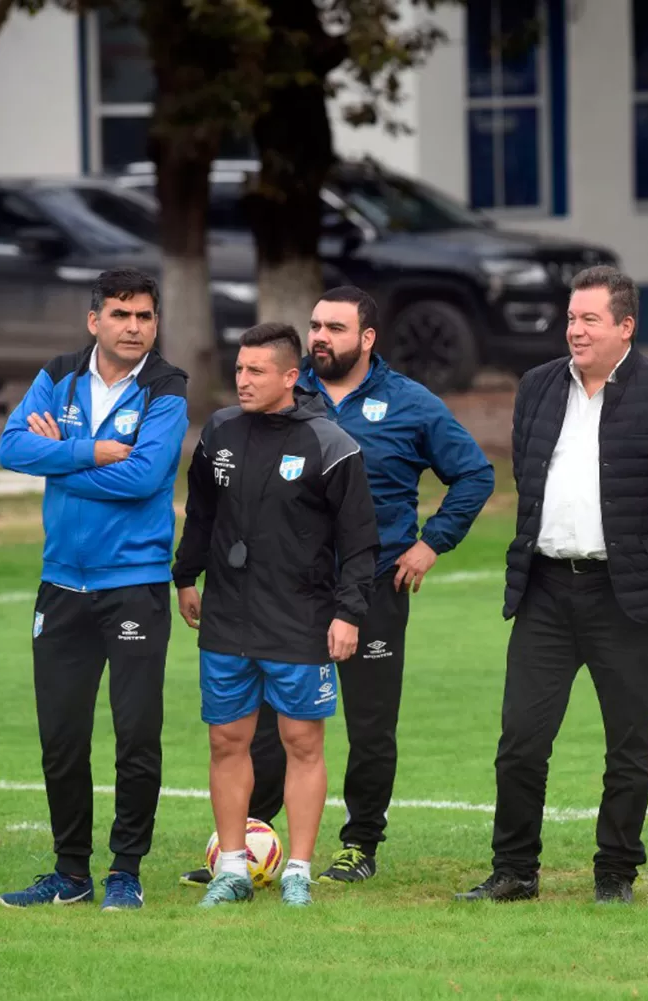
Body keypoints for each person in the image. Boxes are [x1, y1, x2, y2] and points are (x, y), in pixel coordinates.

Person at [179, 286, 494, 887]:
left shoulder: (411, 403)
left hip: (371, 587)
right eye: (316, 326)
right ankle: (249, 843)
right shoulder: (287, 397)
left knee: (371, 723)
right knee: (270, 722)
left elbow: (475, 474)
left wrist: (431, 544)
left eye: (336, 328)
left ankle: (359, 844)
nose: (321, 336)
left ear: (367, 338)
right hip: (286, 593)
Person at [456, 266, 648, 904]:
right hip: (544, 589)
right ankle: (514, 871)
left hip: (623, 596)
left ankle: (616, 874)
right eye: (572, 319)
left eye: (589, 320)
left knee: (627, 742)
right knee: (521, 740)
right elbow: (527, 472)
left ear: (625, 327)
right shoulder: (537, 387)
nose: (574, 330)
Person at [0, 269, 188, 912]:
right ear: (94, 320)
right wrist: (92, 450)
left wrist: (62, 460)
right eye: (121, 314)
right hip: (60, 589)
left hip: (133, 588)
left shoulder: (167, 389)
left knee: (135, 734)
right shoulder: (57, 375)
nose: (134, 327)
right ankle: (71, 873)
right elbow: (10, 446)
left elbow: (143, 477)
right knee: (62, 735)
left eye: (144, 316)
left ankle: (126, 871)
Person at [171, 322, 378, 909]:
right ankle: (232, 870)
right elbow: (203, 515)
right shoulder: (219, 431)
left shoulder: (329, 443)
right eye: (239, 369)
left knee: (301, 741)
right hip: (228, 617)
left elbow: (359, 541)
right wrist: (186, 577)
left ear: (291, 377)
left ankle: (299, 872)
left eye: (256, 371)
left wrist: (348, 613)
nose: (243, 380)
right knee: (226, 739)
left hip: (300, 618)